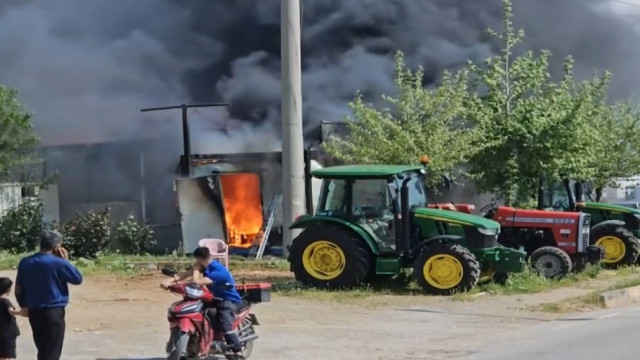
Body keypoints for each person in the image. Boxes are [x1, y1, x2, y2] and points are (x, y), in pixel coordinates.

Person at [162, 246, 244, 358]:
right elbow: (185, 274)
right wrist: (170, 281)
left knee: (224, 324)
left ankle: (235, 348)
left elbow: (197, 281)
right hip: (212, 297)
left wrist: (196, 269)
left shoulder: (220, 271)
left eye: (197, 260)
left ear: (199, 258)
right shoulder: (204, 265)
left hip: (227, 300)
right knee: (198, 312)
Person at [15, 230, 83, 360]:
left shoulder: (25, 262)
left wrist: (23, 305)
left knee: (43, 350)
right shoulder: (58, 263)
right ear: (57, 246)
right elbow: (77, 279)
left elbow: (18, 289)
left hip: (34, 312)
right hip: (53, 312)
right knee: (51, 353)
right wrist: (65, 261)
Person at [0, 278, 23, 360]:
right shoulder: (5, 302)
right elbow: (11, 311)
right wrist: (22, 312)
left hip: (2, 332)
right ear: (8, 289)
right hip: (7, 333)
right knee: (5, 356)